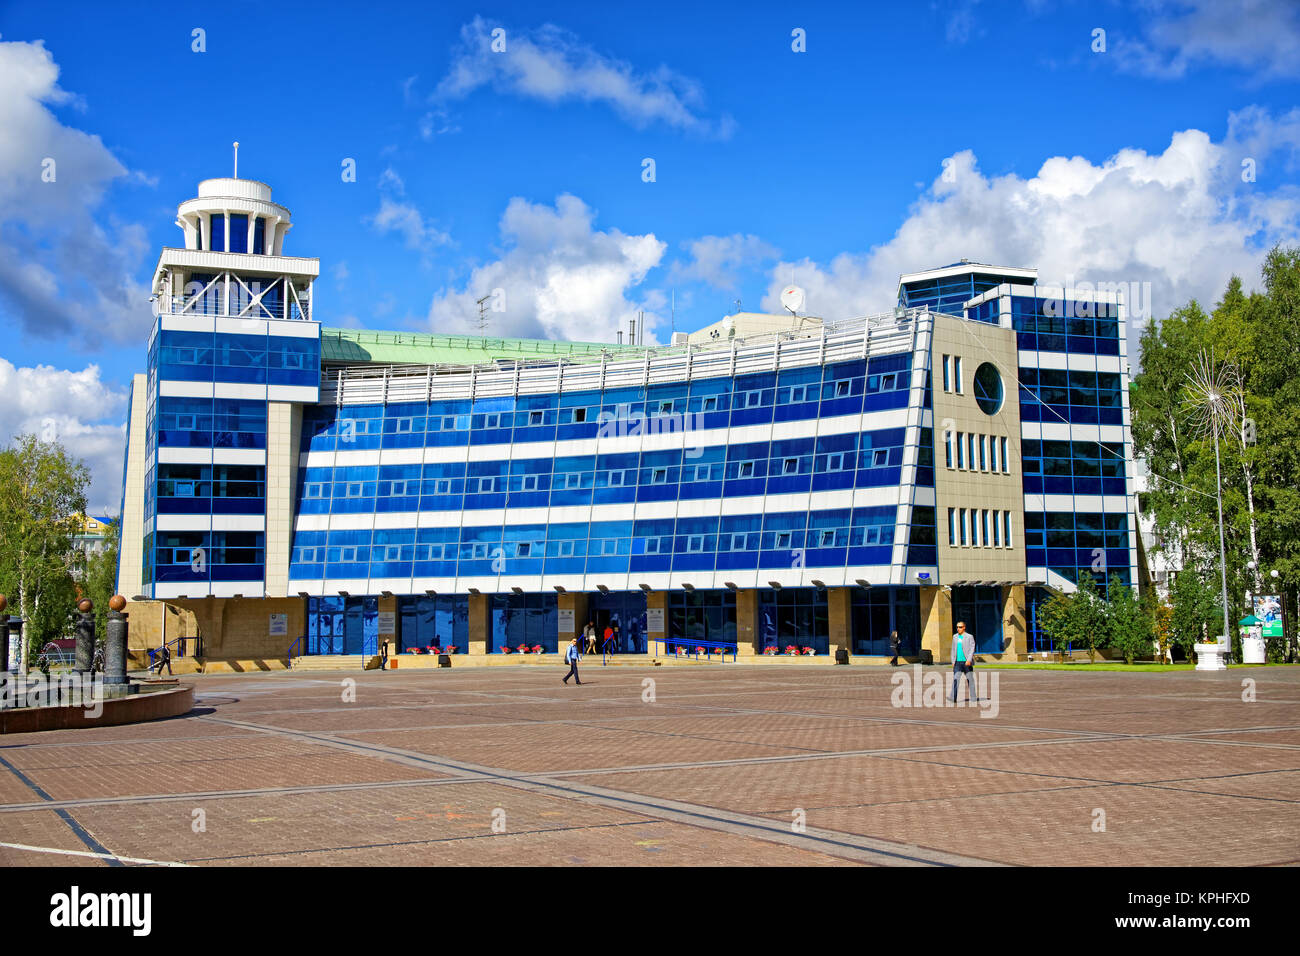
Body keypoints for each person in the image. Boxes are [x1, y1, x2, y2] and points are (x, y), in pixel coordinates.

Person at [950, 622, 976, 702]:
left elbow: (972, 649)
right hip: (957, 663)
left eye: (960, 627)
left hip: (966, 662)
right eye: (957, 627)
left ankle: (973, 697)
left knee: (970, 680)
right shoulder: (955, 637)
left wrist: (969, 660)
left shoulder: (969, 637)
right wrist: (953, 661)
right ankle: (953, 698)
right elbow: (953, 649)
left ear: (964, 627)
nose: (958, 628)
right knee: (955, 679)